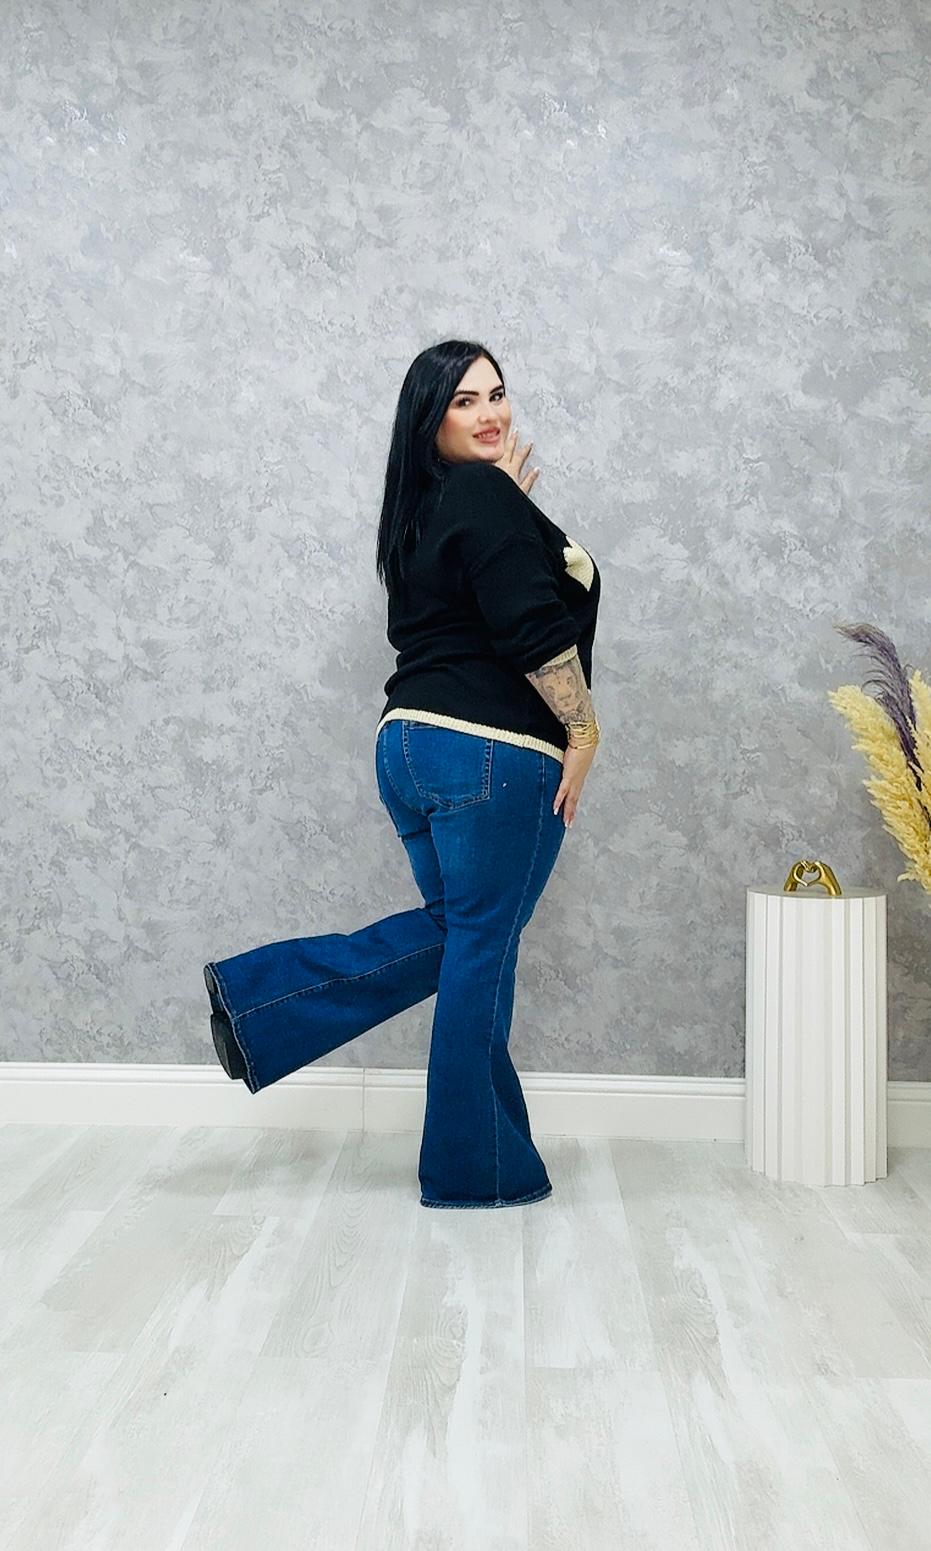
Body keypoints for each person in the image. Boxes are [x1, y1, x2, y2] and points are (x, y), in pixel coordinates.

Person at [203, 339, 602, 1209]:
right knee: (479, 948)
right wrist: (582, 728)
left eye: (496, 393)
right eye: (464, 400)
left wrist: (514, 509)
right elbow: (530, 622)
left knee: (464, 939)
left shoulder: (424, 512)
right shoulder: (479, 496)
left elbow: (481, 597)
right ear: (429, 419)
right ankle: (474, 1170)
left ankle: (260, 1004)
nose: (490, 412)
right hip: (492, 748)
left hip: (409, 746)